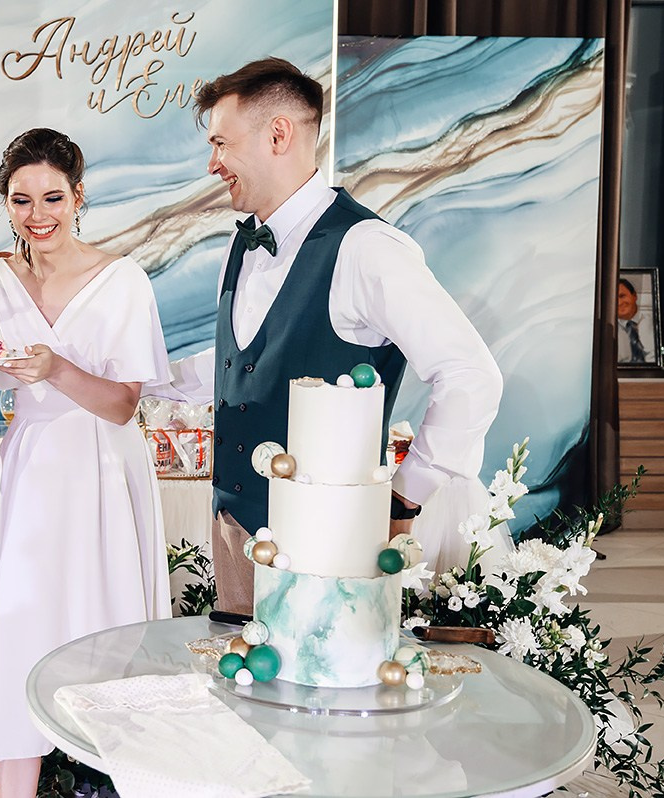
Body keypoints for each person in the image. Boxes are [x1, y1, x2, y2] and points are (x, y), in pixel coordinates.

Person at [167, 58, 504, 618]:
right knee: (234, 673)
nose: (212, 164)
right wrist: (138, 377)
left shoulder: (365, 247)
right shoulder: (242, 243)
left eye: (222, 144)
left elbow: (471, 376)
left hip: (328, 544)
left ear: (278, 135)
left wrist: (404, 498)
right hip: (234, 529)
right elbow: (243, 360)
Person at [0, 128, 172, 797]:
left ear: (79, 196)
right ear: (5, 205)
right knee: (18, 628)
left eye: (53, 198)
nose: (38, 215)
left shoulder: (122, 281)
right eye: (21, 200)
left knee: (108, 629)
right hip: (28, 472)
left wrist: (57, 368)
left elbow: (123, 405)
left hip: (103, 473)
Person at [617, 277, 655, 364]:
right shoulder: (605, 332)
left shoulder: (654, 322)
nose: (619, 302)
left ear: (634, 296)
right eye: (613, 298)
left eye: (622, 296)